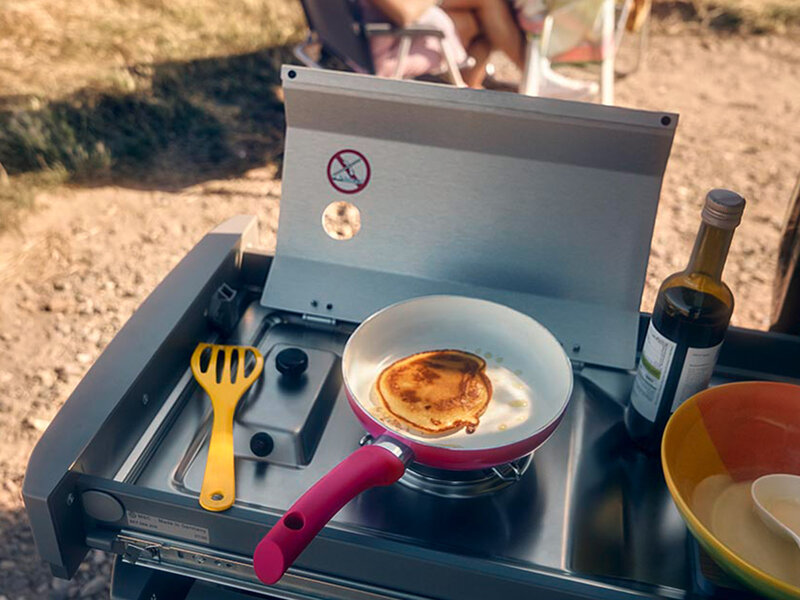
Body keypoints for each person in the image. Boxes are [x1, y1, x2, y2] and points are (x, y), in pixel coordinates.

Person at [360, 0, 596, 96]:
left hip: (395, 32)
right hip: (391, 46)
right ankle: (534, 74)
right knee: (490, 12)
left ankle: (474, 86)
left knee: (491, 12)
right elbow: (405, 13)